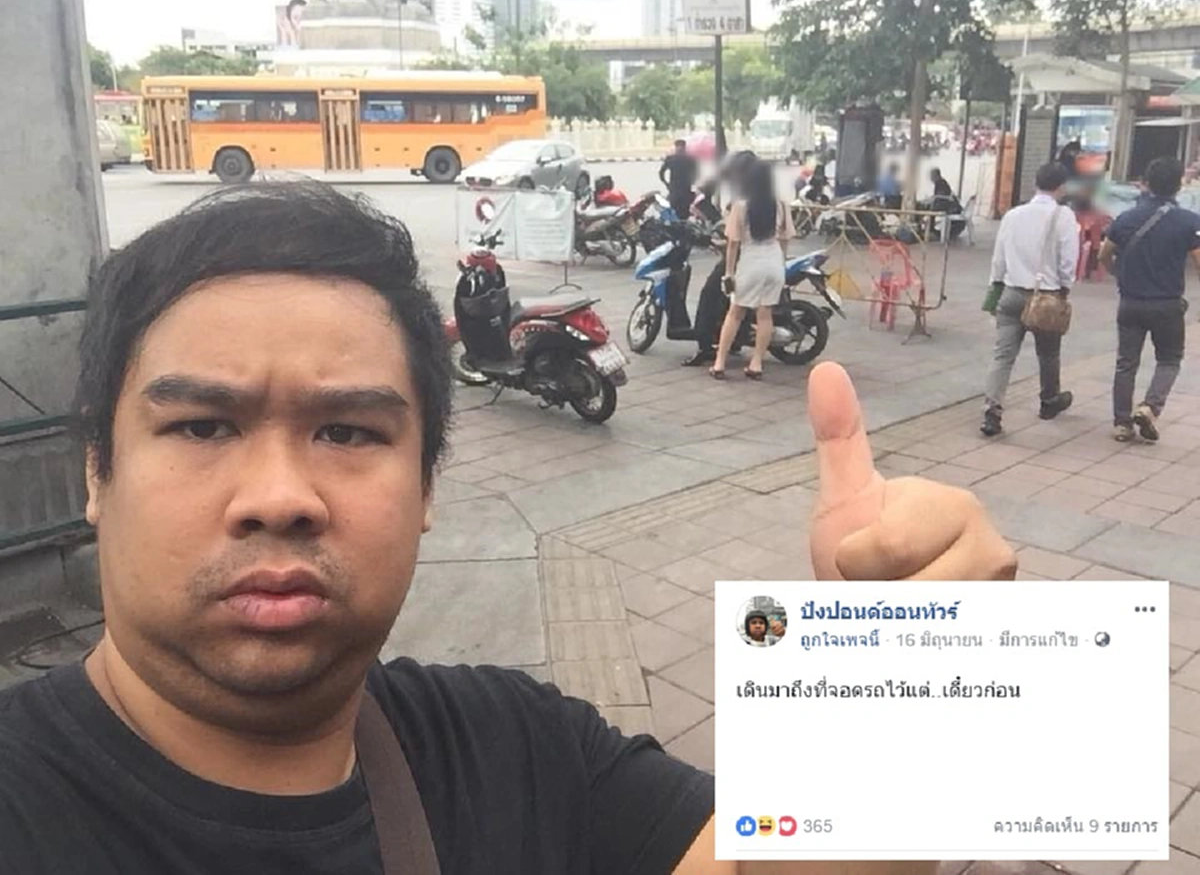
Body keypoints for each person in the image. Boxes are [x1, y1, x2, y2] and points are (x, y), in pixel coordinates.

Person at [0, 181, 1018, 874]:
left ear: (429, 483)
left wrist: (919, 675)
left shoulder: (517, 750)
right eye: (203, 425)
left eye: (350, 430)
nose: (279, 494)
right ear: (97, 469)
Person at [1099, 156, 1200, 443]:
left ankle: (1121, 423)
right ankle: (1150, 407)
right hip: (1168, 303)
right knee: (1169, 359)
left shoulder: (1127, 218)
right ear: (1178, 185)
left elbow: (1103, 254)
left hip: (1130, 302)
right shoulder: (1189, 221)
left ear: (1147, 183)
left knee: (1126, 363)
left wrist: (1119, 275)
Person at [980, 162, 1079, 437]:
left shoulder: (1013, 215)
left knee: (1003, 356)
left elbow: (998, 259)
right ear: (1061, 186)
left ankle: (992, 410)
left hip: (1011, 292)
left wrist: (995, 287)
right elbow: (1069, 259)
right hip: (1045, 296)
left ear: (1036, 183)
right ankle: (1049, 400)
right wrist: (1064, 286)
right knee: (1048, 352)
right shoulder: (1064, 216)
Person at [710, 160, 796, 380]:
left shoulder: (741, 206)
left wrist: (729, 273)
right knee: (765, 314)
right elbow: (786, 238)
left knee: (736, 312)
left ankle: (720, 362)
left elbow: (733, 243)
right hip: (774, 261)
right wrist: (782, 265)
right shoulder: (780, 204)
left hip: (751, 261)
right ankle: (756, 363)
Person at [682, 149, 758, 367]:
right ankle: (734, 340)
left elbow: (735, 238)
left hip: (740, 256)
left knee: (709, 295)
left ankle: (705, 346)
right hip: (761, 256)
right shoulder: (761, 192)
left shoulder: (741, 197)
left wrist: (729, 269)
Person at [659, 139, 698, 221]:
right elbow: (696, 174)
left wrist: (667, 184)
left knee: (674, 213)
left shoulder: (670, 159)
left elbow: (661, 173)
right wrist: (691, 182)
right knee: (684, 214)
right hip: (685, 190)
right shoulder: (690, 159)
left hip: (674, 190)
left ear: (676, 147)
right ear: (684, 148)